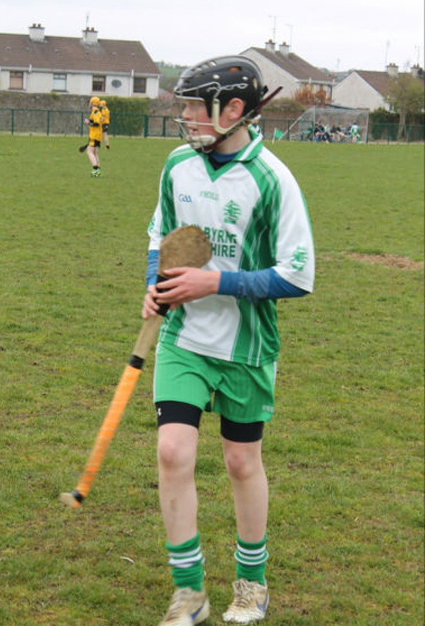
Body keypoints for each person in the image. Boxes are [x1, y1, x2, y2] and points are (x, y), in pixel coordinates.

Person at [142, 55, 315, 625]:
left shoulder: (273, 179)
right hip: (184, 340)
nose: (186, 116)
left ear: (232, 110)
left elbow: (297, 274)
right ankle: (189, 592)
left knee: (242, 462)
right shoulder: (176, 166)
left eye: (195, 105)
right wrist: (156, 287)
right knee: (172, 452)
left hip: (245, 348)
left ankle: (251, 582)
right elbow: (160, 235)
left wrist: (215, 281)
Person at [84, 96, 103, 176]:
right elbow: (93, 120)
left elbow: (96, 123)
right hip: (98, 135)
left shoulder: (96, 112)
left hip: (95, 135)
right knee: (95, 153)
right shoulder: (95, 112)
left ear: (92, 103)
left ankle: (95, 169)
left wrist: (88, 123)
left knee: (89, 151)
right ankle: (98, 169)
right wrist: (89, 121)